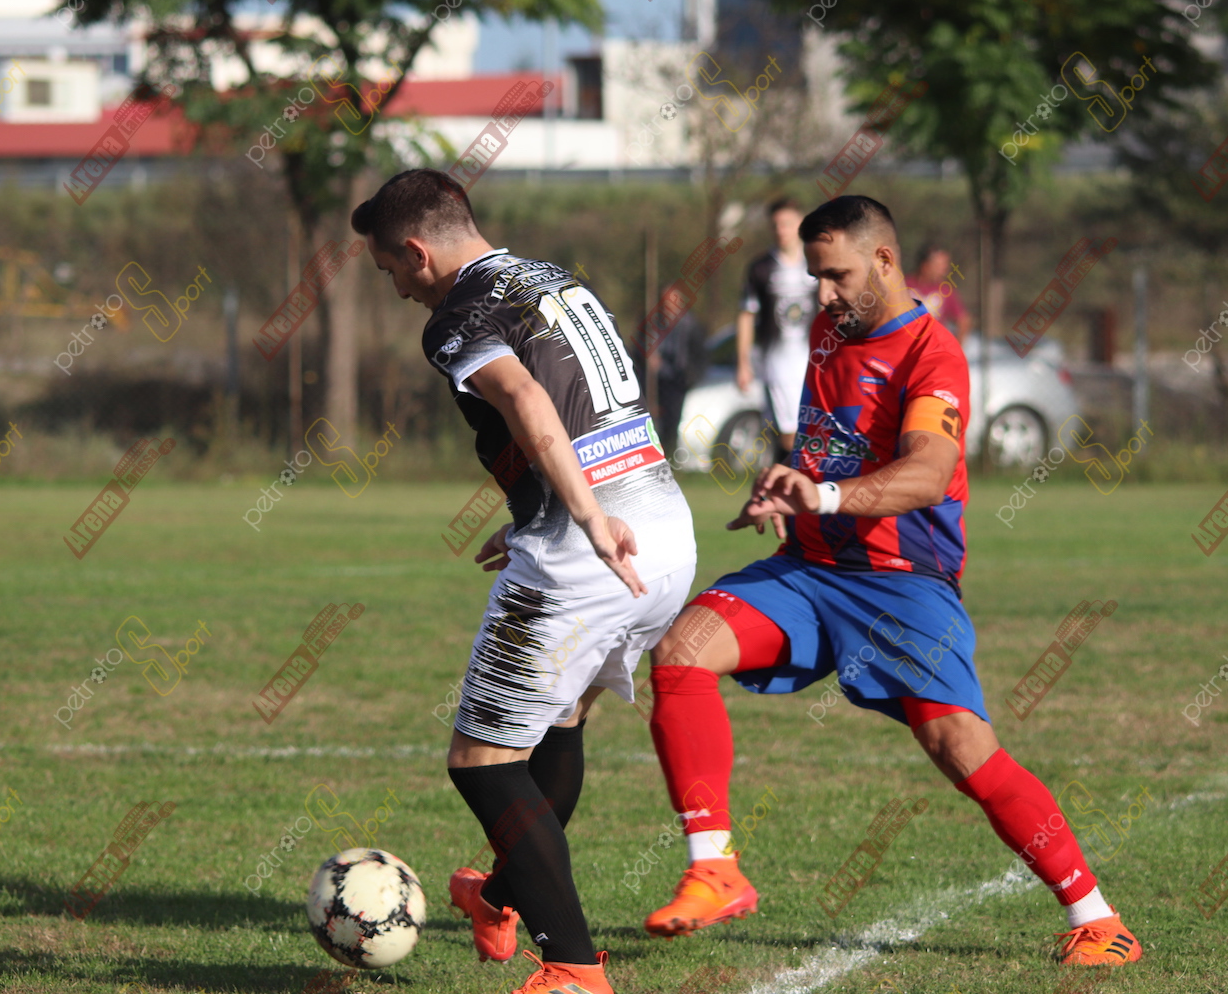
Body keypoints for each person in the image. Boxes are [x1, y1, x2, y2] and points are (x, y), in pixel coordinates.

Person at [639, 195, 1143, 968]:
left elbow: (929, 473)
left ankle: (1097, 919)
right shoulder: (826, 331)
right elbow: (829, 447)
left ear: (883, 260)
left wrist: (823, 495)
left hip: (903, 583)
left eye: (836, 276)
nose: (824, 294)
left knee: (960, 747)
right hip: (810, 570)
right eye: (816, 278)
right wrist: (787, 484)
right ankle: (715, 869)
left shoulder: (932, 355)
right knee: (681, 649)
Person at [352, 169, 696, 994]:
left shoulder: (456, 316)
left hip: (592, 548)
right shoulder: (552, 278)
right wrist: (543, 513)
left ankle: (574, 968)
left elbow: (528, 400)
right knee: (558, 725)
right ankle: (499, 897)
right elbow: (591, 410)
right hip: (663, 533)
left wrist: (582, 517)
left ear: (417, 250)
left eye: (390, 270)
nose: (397, 289)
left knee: (482, 763)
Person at [736, 198, 818, 462]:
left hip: (815, 360)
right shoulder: (761, 268)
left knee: (814, 428)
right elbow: (746, 316)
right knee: (788, 432)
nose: (781, 230)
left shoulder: (816, 261)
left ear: (801, 224)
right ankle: (789, 475)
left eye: (787, 223)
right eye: (776, 225)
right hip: (778, 363)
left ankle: (802, 475)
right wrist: (743, 363)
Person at [635, 282, 708, 455]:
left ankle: (670, 456)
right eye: (665, 301)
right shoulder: (651, 323)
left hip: (677, 382)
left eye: (672, 301)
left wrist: (690, 378)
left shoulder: (690, 326)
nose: (668, 306)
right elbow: (637, 349)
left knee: (672, 422)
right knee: (650, 421)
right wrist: (647, 358)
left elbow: (700, 357)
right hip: (653, 380)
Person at [905, 243, 973, 339]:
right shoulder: (905, 286)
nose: (944, 271)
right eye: (939, 266)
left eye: (945, 266)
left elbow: (963, 320)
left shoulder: (945, 290)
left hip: (933, 346)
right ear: (925, 265)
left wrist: (955, 345)